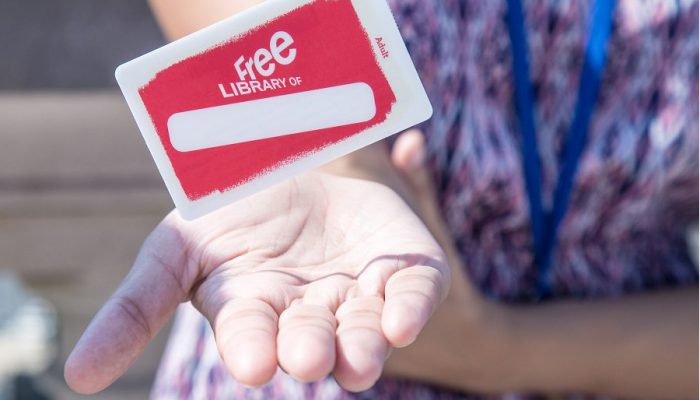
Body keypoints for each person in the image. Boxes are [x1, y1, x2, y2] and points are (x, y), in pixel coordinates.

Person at [64, 0, 699, 398]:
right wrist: (348, 163)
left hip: (632, 358)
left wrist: (497, 351)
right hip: (309, 312)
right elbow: (249, 30)